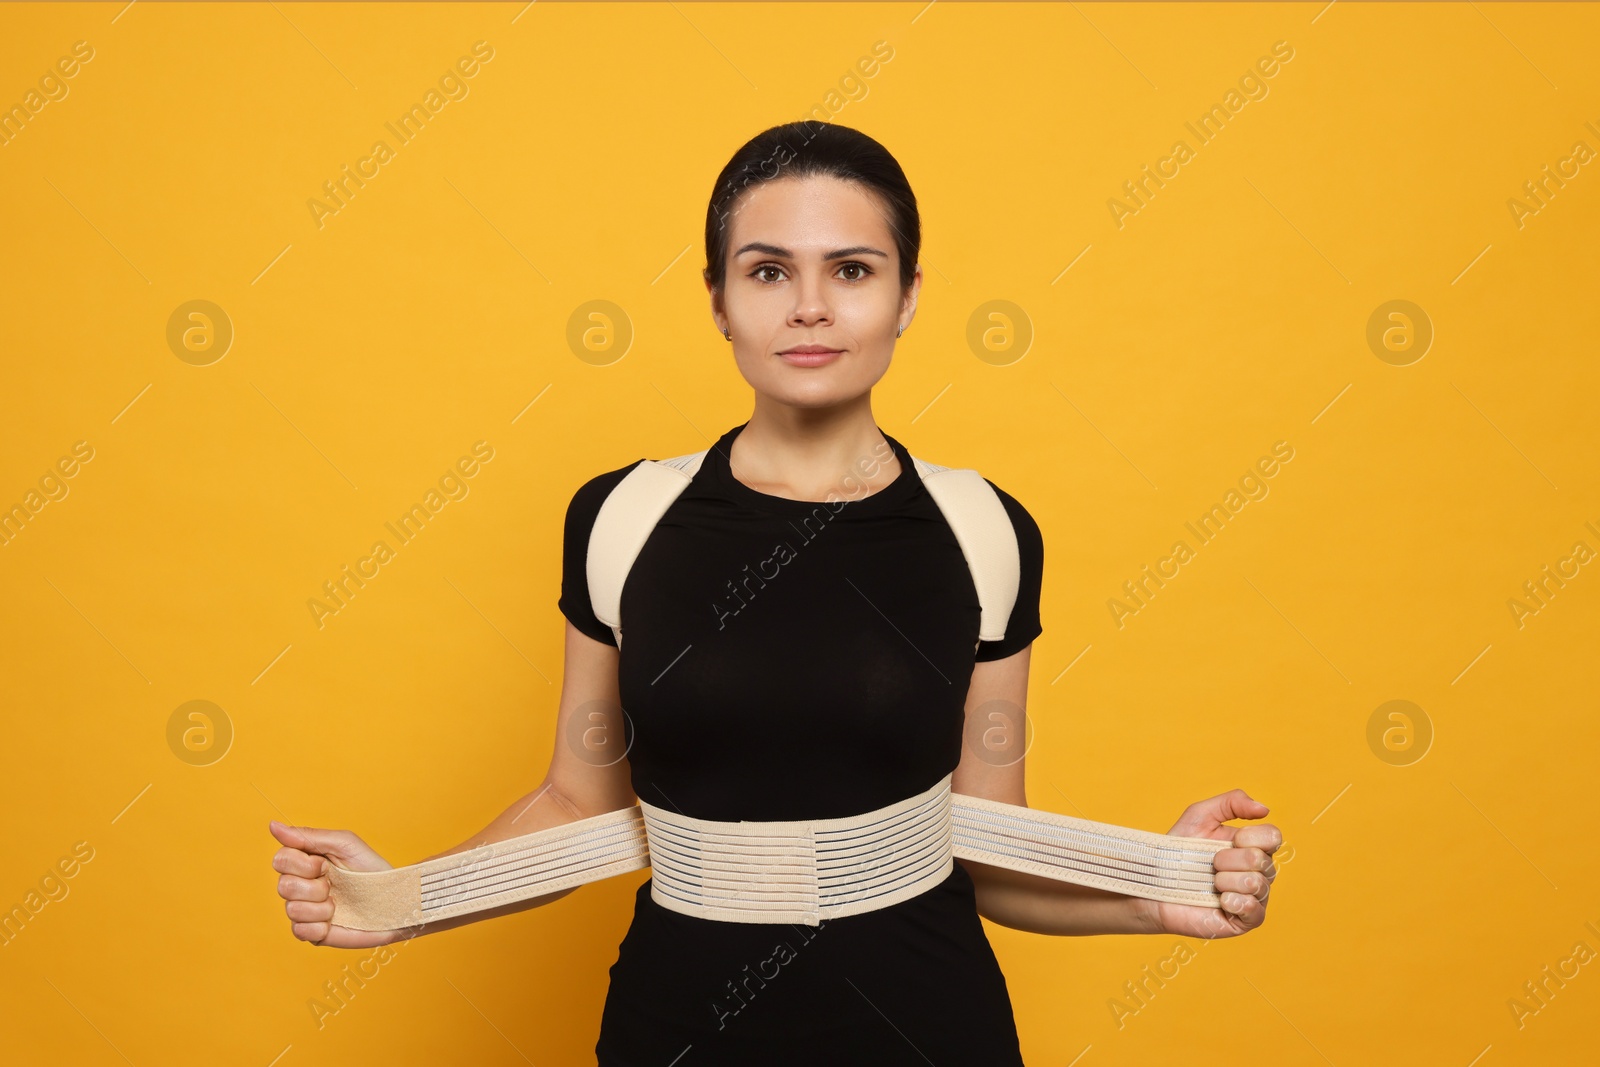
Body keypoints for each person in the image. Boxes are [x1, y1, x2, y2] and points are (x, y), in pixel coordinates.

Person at [269, 121, 1281, 1064]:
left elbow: (989, 838)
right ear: (717, 298)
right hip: (680, 1023)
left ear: (908, 294)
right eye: (767, 271)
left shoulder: (986, 529)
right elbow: (577, 802)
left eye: (851, 269)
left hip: (928, 1024)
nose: (810, 305)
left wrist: (1159, 891)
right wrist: (400, 897)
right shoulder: (621, 517)